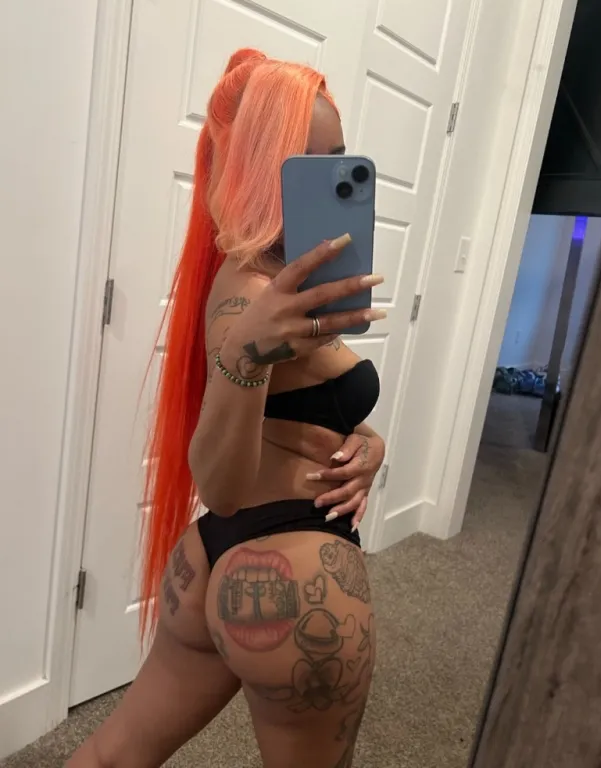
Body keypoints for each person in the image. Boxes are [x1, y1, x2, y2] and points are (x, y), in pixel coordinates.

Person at [68, 48, 386, 768]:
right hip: (296, 575)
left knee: (115, 754)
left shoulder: (272, 279)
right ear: (262, 170)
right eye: (307, 165)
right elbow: (222, 485)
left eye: (338, 157)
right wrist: (244, 359)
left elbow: (298, 412)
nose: (332, 179)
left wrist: (369, 442)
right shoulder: (250, 296)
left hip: (214, 556)